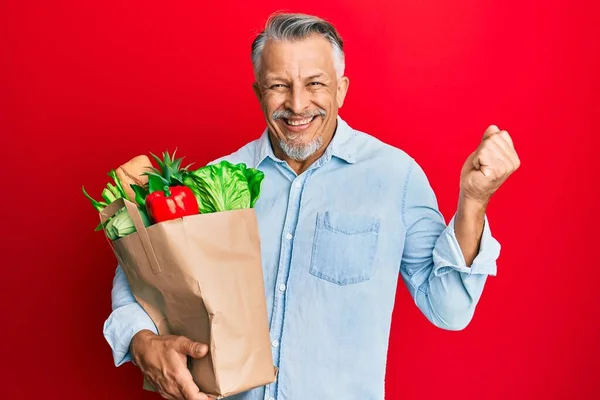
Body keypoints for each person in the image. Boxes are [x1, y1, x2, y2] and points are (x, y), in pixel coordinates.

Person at [103, 12, 520, 400]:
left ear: (342, 88)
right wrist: (141, 341)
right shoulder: (217, 181)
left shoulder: (396, 177)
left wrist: (473, 202)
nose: (298, 105)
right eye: (279, 85)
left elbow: (449, 307)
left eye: (316, 83)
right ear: (258, 92)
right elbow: (142, 276)